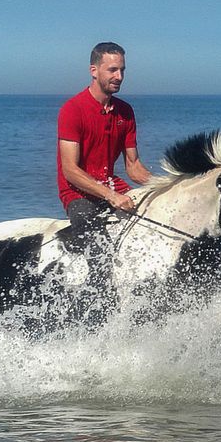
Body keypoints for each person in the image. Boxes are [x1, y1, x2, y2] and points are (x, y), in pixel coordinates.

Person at [56, 42, 152, 321]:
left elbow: (134, 168)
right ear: (94, 70)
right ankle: (96, 317)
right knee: (98, 247)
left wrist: (168, 185)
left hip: (114, 186)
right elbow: (70, 170)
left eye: (122, 70)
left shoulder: (125, 112)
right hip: (78, 193)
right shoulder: (72, 110)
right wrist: (110, 197)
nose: (118, 76)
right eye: (112, 70)